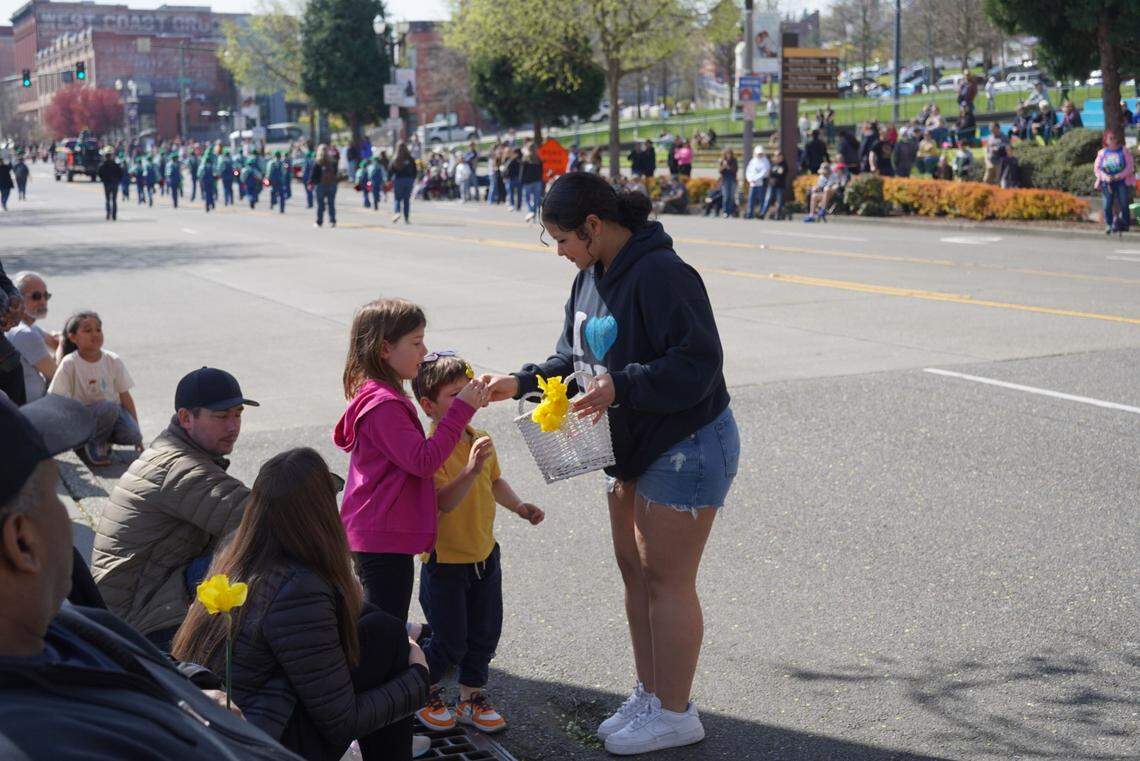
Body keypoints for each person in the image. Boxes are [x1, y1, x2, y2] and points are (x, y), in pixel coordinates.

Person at [482, 172, 738, 756]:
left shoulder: (663, 274)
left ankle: (676, 712)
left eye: (563, 240)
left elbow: (699, 363)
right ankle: (652, 693)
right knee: (634, 573)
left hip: (686, 441)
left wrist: (621, 386)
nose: (561, 254)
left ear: (594, 226)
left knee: (666, 580)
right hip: (628, 447)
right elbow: (573, 359)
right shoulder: (590, 278)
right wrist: (519, 382)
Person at [0, 394, 308, 761]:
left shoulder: (69, 624)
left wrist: (195, 686)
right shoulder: (39, 742)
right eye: (54, 495)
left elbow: (152, 664)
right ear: (23, 542)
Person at [172, 448, 432, 761]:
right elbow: (341, 722)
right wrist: (417, 675)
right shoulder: (298, 588)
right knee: (387, 639)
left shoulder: (239, 554)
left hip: (237, 723)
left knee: (380, 627)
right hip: (262, 746)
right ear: (318, 512)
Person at [410, 355, 544, 735]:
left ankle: (471, 697)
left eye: (470, 391)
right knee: (449, 641)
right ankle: (423, 690)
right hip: (446, 563)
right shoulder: (431, 448)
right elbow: (442, 503)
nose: (469, 399)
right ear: (429, 405)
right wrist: (468, 470)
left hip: (485, 556)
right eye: (457, 394)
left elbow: (494, 481)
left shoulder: (479, 438)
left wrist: (519, 506)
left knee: (484, 634)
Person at [334, 299, 489, 621]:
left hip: (379, 533)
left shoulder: (382, 396)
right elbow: (423, 461)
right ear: (384, 349)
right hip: (380, 537)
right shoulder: (384, 405)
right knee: (383, 627)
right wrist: (461, 409)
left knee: (382, 621)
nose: (424, 351)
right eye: (416, 342)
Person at [90, 366, 257, 650]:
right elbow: (262, 518)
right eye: (221, 416)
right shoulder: (179, 468)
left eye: (238, 414)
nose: (233, 426)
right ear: (185, 418)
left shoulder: (175, 453)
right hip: (138, 620)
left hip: (141, 597)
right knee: (263, 562)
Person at [47, 310, 141, 467]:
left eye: (98, 329)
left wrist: (139, 434)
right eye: (88, 330)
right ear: (73, 337)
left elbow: (125, 396)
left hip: (110, 414)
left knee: (132, 434)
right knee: (108, 407)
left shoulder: (112, 360)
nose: (95, 334)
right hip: (82, 417)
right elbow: (55, 398)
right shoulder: (70, 362)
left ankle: (99, 441)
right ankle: (93, 443)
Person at [5, 272, 58, 403]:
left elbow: (53, 340)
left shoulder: (28, 328)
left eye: (46, 296)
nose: (43, 301)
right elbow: (58, 376)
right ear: (17, 299)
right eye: (36, 296)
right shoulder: (24, 333)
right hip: (30, 409)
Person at [1094, 130, 1135, 234]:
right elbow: (1097, 169)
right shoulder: (1102, 153)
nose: (1113, 140)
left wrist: (1119, 175)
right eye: (1110, 138)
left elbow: (1130, 167)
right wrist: (1105, 177)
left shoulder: (1124, 151)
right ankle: (1109, 224)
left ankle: (1124, 225)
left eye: (1115, 138)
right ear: (1106, 140)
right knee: (1107, 204)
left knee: (1124, 203)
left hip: (1121, 182)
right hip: (1107, 183)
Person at [390, 142, 417, 225]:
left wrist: (388, 180)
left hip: (398, 180)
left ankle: (397, 212)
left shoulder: (395, 159)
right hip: (408, 180)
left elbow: (390, 170)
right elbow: (415, 170)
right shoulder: (410, 158)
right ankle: (406, 218)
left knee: (397, 198)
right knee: (406, 200)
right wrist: (413, 179)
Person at [744, 146, 771, 219]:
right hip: (752, 184)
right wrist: (750, 179)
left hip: (761, 183)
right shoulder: (753, 161)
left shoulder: (765, 161)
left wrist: (756, 178)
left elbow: (764, 172)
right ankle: (750, 213)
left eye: (760, 153)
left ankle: (761, 214)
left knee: (761, 199)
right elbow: (748, 171)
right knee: (751, 199)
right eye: (758, 154)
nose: (759, 155)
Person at [520, 143, 544, 223]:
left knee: (527, 197)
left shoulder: (525, 158)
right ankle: (534, 211)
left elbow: (522, 171)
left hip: (528, 181)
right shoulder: (539, 159)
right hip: (537, 180)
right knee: (536, 198)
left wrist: (521, 180)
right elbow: (541, 170)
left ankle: (531, 211)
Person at [97, 149, 123, 221]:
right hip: (114, 183)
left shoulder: (103, 165)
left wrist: (103, 180)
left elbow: (99, 174)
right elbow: (120, 173)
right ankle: (114, 215)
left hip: (107, 184)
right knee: (114, 200)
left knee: (108, 199)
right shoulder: (115, 164)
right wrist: (117, 180)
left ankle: (108, 214)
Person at [761, 151, 787, 220]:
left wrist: (774, 177)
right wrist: (771, 179)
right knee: (767, 199)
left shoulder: (784, 165)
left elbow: (780, 174)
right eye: (775, 155)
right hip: (771, 185)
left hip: (780, 186)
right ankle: (763, 213)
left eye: (778, 155)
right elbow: (770, 173)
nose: (777, 157)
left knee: (779, 201)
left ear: (782, 156)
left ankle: (777, 215)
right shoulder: (773, 164)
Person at [718, 148, 738, 218]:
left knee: (731, 197)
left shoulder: (734, 161)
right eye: (727, 153)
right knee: (726, 196)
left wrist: (728, 166)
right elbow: (720, 171)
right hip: (725, 180)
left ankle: (731, 211)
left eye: (729, 153)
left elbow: (734, 170)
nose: (728, 155)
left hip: (732, 180)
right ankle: (725, 211)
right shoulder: (722, 161)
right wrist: (723, 166)